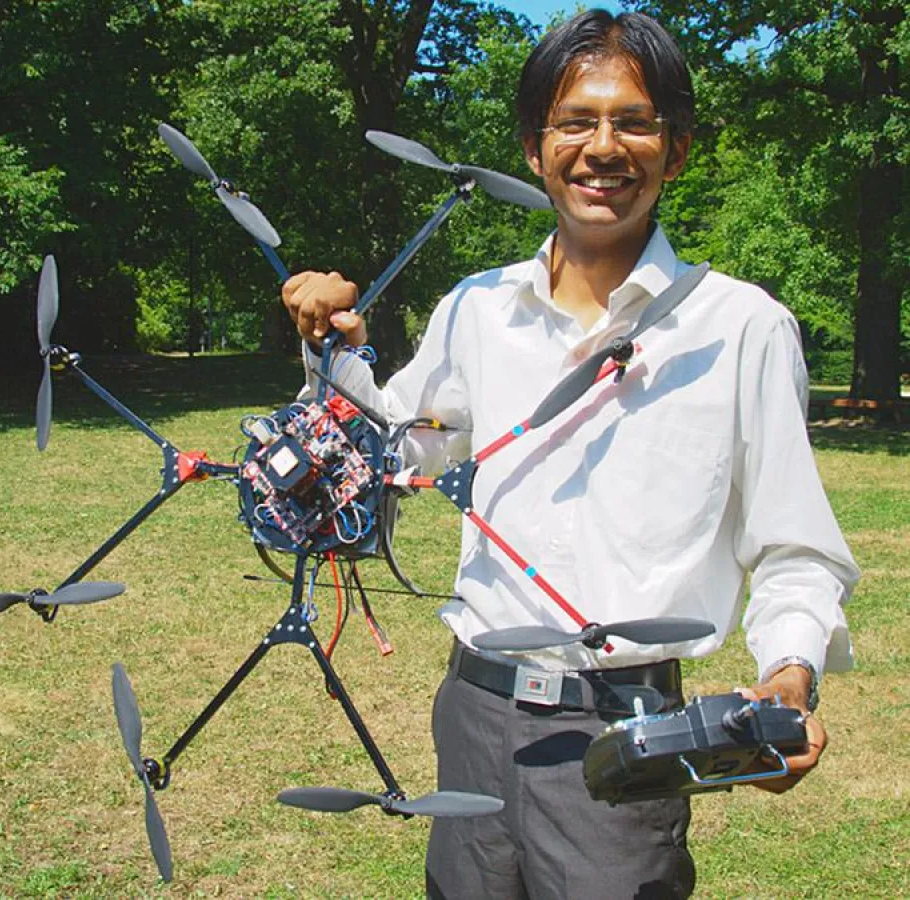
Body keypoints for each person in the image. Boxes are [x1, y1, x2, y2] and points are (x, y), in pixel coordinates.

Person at [282, 10, 858, 899]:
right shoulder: (477, 308)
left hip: (621, 731)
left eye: (633, 121)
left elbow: (795, 547)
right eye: (575, 122)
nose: (603, 148)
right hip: (473, 712)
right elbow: (398, 450)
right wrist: (331, 344)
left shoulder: (741, 328)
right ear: (532, 146)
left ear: (678, 149)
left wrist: (788, 677)